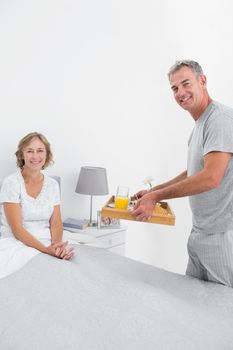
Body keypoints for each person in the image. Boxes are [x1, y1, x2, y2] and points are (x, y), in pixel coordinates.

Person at [132, 60, 233, 287]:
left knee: (223, 310)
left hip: (221, 237)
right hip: (200, 233)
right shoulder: (200, 124)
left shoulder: (220, 120)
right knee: (193, 307)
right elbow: (194, 171)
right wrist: (153, 191)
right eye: (174, 88)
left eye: (186, 84)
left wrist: (156, 197)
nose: (180, 93)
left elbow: (211, 177)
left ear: (203, 81)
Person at [0, 132, 74, 277]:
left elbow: (56, 222)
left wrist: (56, 246)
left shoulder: (52, 185)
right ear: (22, 155)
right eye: (29, 151)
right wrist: (46, 250)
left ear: (47, 154)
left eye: (40, 151)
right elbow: (17, 229)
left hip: (48, 239)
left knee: (75, 263)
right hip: (17, 242)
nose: (35, 156)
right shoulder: (11, 183)